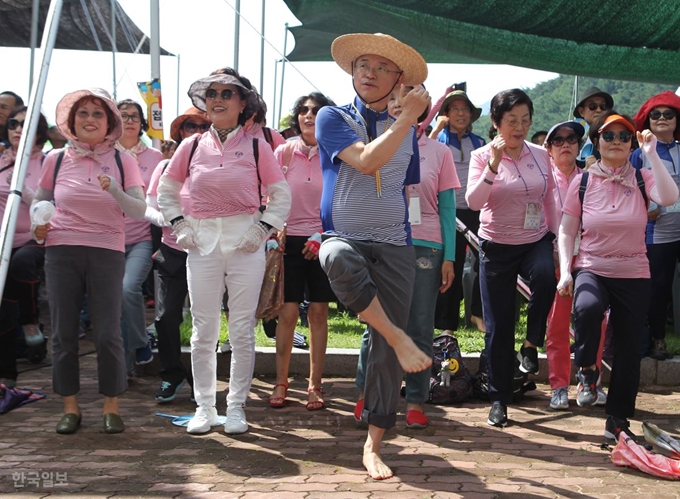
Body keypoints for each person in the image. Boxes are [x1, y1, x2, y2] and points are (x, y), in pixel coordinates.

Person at [315, 32, 432, 480]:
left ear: (399, 79)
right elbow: (366, 161)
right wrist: (407, 121)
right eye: (363, 63)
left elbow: (405, 184)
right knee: (337, 258)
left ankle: (373, 445)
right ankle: (398, 335)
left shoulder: (409, 129)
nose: (369, 72)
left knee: (384, 355)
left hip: (394, 243)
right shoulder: (331, 116)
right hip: (343, 233)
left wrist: (406, 120)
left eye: (383, 67)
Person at [157, 70, 291, 435]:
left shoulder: (256, 145)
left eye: (227, 93)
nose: (218, 99)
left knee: (242, 330)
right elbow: (166, 192)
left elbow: (281, 196)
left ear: (242, 103)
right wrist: (179, 224)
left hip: (246, 243)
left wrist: (261, 230)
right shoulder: (191, 146)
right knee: (203, 330)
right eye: (212, 93)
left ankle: (235, 407)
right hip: (201, 245)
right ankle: (204, 407)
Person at [557, 111, 678, 441]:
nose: (616, 142)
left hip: (634, 271)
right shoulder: (581, 182)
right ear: (597, 142)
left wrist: (651, 153)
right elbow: (567, 231)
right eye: (609, 136)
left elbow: (669, 197)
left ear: (631, 143)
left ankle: (618, 419)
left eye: (624, 137)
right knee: (587, 309)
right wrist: (566, 271)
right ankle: (587, 367)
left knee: (628, 350)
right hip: (593, 267)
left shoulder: (642, 177)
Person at [32, 88, 146, 434]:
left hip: (107, 250)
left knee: (108, 333)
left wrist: (114, 189)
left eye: (98, 113)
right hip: (61, 250)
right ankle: (70, 406)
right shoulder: (55, 160)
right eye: (83, 113)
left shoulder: (124, 160)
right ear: (71, 121)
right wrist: (40, 225)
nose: (90, 119)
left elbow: (138, 210)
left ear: (109, 122)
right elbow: (40, 205)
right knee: (63, 332)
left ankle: (111, 405)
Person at [466, 88, 558, 427]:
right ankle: (499, 399)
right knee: (498, 327)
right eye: (511, 121)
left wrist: (560, 244)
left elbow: (550, 200)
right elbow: (474, 203)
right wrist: (493, 164)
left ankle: (532, 344)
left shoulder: (539, 154)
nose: (518, 128)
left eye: (525, 120)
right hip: (496, 247)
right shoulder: (480, 156)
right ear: (496, 123)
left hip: (535, 239)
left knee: (547, 275)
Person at [388, 85, 460, 428]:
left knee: (419, 324)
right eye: (393, 101)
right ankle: (370, 395)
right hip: (385, 241)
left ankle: (416, 399)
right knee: (381, 324)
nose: (399, 106)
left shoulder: (440, 151)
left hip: (428, 245)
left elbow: (447, 208)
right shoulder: (378, 143)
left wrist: (449, 257)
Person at [269, 92, 336, 411]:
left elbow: (341, 202)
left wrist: (322, 235)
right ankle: (281, 382)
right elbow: (269, 196)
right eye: (303, 110)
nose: (309, 115)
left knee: (319, 313)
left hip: (322, 241)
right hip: (288, 242)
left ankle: (315, 384)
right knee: (288, 313)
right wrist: (275, 228)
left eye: (316, 110)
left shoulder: (335, 154)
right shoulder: (282, 152)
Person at [543, 121, 607, 410]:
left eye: (571, 139)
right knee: (556, 324)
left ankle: (589, 381)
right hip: (555, 260)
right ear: (549, 149)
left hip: (590, 261)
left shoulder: (592, 178)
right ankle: (558, 386)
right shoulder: (542, 180)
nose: (565, 144)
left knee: (597, 321)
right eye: (558, 140)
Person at [149, 107, 211, 403]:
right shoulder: (164, 167)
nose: (197, 130)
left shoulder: (219, 165)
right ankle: (172, 375)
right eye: (190, 125)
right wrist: (169, 219)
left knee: (206, 319)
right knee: (165, 318)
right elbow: (149, 205)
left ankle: (205, 382)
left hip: (210, 252)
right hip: (172, 251)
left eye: (203, 125)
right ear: (180, 132)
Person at [429, 90, 486, 333]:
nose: (461, 113)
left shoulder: (480, 142)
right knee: (449, 267)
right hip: (447, 212)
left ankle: (478, 313)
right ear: (445, 114)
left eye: (465, 109)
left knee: (486, 262)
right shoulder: (436, 140)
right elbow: (422, 154)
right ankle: (446, 328)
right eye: (455, 109)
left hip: (476, 211)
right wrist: (435, 129)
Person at [0, 106, 49, 387]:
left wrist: (23, 189)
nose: (18, 129)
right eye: (13, 124)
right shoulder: (2, 161)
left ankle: (31, 320)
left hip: (36, 238)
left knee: (21, 262)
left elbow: (49, 207)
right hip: (3, 243)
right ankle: (7, 374)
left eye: (25, 124)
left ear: (38, 132)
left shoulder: (48, 162)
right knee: (4, 310)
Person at [115, 99, 163, 371]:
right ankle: (125, 368)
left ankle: (140, 341)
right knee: (117, 301)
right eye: (124, 116)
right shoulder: (105, 154)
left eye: (135, 116)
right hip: (108, 239)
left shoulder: (156, 157)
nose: (130, 120)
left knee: (127, 288)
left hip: (143, 238)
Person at [631, 91, 680, 360]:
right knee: (659, 286)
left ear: (676, 120)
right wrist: (646, 206)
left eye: (668, 114)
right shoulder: (640, 154)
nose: (662, 119)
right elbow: (631, 187)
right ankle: (658, 339)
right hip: (656, 233)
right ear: (647, 121)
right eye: (655, 115)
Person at [573, 86, 614, 167]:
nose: (598, 110)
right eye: (592, 106)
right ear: (581, 111)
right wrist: (585, 171)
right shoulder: (573, 139)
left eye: (603, 106)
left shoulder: (615, 135)